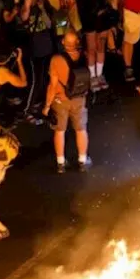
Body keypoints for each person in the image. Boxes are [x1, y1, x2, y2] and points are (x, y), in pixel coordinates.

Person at [43, 31, 93, 173]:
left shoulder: (56, 60)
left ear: (63, 42)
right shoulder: (83, 56)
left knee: (60, 131)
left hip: (61, 100)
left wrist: (47, 105)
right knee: (81, 129)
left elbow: (52, 86)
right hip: (79, 98)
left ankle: (60, 163)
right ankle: (82, 160)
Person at [77, 0, 114, 91]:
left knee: (101, 47)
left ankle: (100, 75)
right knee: (91, 49)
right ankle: (92, 77)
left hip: (103, 19)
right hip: (89, 20)